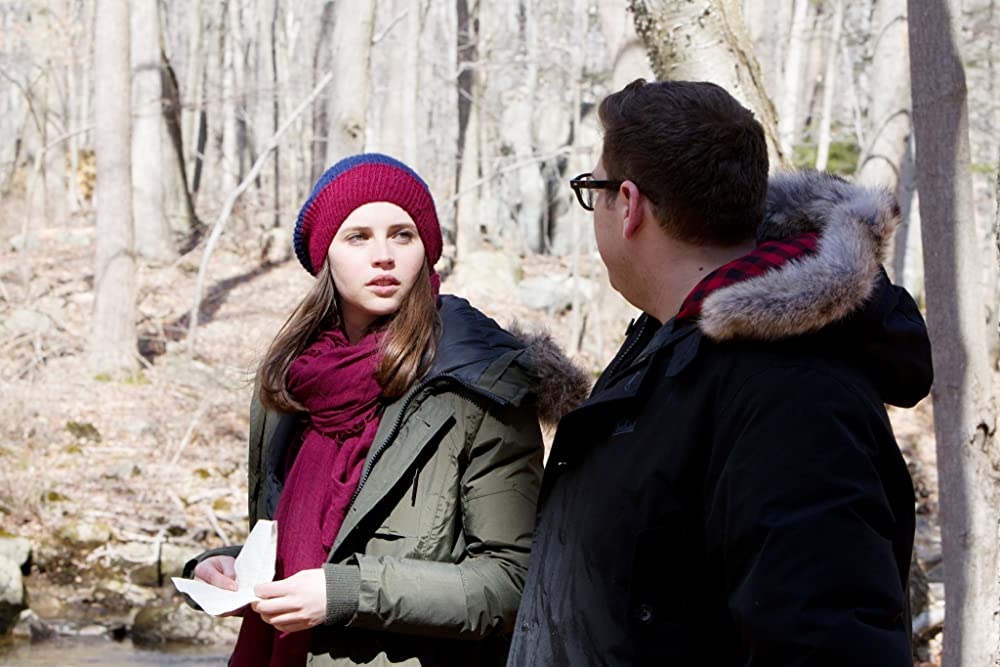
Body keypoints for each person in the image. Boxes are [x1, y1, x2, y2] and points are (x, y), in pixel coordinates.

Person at [507, 80, 933, 666]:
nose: (594, 209)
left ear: (628, 204)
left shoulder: (790, 392)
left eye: (593, 189)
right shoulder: (669, 341)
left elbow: (827, 643)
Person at [183, 153, 587, 667]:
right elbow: (295, 544)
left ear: (427, 250)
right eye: (358, 237)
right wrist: (226, 567)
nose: (384, 255)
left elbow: (511, 582)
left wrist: (348, 592)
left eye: (402, 235)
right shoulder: (290, 386)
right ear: (324, 254)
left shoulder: (478, 384)